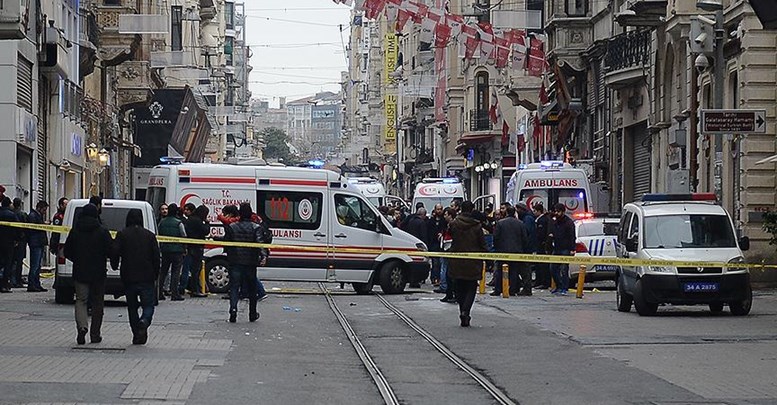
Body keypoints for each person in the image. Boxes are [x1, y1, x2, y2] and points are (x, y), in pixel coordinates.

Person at [64, 204, 112, 345]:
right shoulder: (102, 231)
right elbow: (110, 249)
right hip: (98, 273)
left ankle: (82, 327)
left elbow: (67, 251)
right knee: (98, 303)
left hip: (80, 271)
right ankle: (95, 334)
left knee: (81, 300)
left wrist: (77, 259)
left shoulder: (75, 231)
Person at [112, 209, 161, 345]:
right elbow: (156, 257)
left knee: (132, 307)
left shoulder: (122, 234)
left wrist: (115, 265)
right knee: (148, 305)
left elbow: (115, 251)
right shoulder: (150, 236)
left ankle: (136, 333)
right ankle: (144, 320)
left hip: (129, 276)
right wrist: (156, 274)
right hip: (147, 276)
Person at [224, 203, 269, 323]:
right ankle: (252, 313)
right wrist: (264, 256)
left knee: (234, 287)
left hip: (235, 261)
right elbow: (260, 243)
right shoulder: (256, 227)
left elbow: (226, 243)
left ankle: (233, 310)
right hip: (250, 262)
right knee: (252, 288)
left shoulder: (232, 226)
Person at [448, 201, 488, 327]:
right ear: (472, 210)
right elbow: (482, 244)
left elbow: (451, 239)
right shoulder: (476, 226)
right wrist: (488, 258)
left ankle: (462, 310)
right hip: (473, 262)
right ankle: (466, 311)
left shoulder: (454, 224)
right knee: (471, 287)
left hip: (457, 261)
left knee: (460, 287)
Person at [491, 205, 528, 297]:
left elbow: (496, 237)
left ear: (506, 212)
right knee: (514, 271)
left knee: (500, 271)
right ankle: (513, 290)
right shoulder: (520, 223)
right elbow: (525, 238)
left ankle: (498, 289)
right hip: (516, 251)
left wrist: (497, 247)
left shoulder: (500, 223)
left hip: (503, 251)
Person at [158, 203, 187, 301]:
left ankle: (159, 292)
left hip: (165, 250)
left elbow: (159, 234)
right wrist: (184, 248)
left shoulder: (162, 222)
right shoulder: (179, 223)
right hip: (177, 251)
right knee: (176, 272)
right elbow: (184, 236)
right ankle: (174, 293)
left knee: (163, 272)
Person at [182, 204, 210, 297]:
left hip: (190, 246)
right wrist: (207, 223)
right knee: (196, 270)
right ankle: (195, 290)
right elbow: (205, 231)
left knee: (189, 269)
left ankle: (192, 288)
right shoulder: (198, 221)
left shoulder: (190, 219)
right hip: (197, 247)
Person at [549, 203, 576, 296]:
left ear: (563, 212)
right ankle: (558, 286)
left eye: (558, 211)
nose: (556, 213)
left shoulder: (568, 223)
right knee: (553, 268)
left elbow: (572, 236)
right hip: (556, 247)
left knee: (564, 269)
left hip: (565, 248)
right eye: (555, 211)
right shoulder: (555, 221)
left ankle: (564, 288)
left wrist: (572, 249)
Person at [26, 200, 50, 292]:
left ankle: (36, 284)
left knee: (38, 265)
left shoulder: (37, 216)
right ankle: (31, 284)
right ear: (39, 208)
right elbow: (34, 228)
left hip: (39, 243)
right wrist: (44, 224)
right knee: (35, 265)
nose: (45, 212)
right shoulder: (33, 216)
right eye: (44, 210)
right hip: (35, 243)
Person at [515, 201, 537, 295]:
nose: (517, 211)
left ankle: (527, 288)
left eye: (518, 209)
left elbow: (526, 233)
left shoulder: (527, 219)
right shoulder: (527, 218)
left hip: (526, 248)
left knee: (525, 269)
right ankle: (525, 287)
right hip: (526, 248)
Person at [0, 197, 21, 293]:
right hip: (9, 242)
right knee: (8, 263)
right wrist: (17, 239)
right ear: (9, 204)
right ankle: (4, 284)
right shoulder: (12, 215)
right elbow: (17, 228)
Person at [438, 207, 458, 303]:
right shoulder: (448, 225)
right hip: (446, 249)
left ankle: (452, 293)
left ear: (450, 215)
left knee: (450, 274)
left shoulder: (454, 225)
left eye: (446, 214)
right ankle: (449, 293)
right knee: (447, 273)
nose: (444, 216)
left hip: (450, 250)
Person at [10, 198, 27, 288]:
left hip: (12, 240)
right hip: (21, 240)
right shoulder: (22, 214)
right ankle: (17, 280)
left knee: (13, 261)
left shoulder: (12, 213)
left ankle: (13, 280)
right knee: (18, 261)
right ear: (20, 204)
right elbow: (25, 227)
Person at [427, 204, 446, 286]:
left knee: (441, 263)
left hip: (442, 246)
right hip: (434, 245)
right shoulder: (431, 221)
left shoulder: (444, 221)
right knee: (435, 263)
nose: (439, 211)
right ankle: (434, 278)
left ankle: (439, 278)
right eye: (438, 209)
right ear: (435, 210)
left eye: (441, 209)